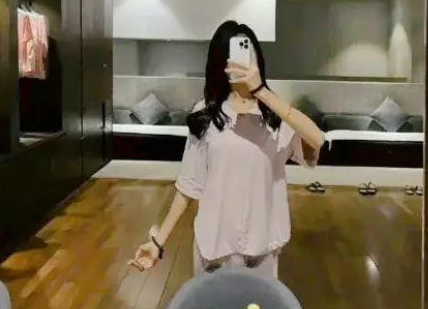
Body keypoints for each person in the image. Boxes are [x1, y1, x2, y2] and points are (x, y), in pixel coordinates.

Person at [129, 20, 325, 279]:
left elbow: (317, 139)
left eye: (248, 53)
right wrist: (157, 242)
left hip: (262, 251)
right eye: (234, 55)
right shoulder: (205, 114)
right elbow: (189, 184)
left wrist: (261, 91)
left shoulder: (277, 116)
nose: (243, 63)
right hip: (213, 252)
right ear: (221, 63)